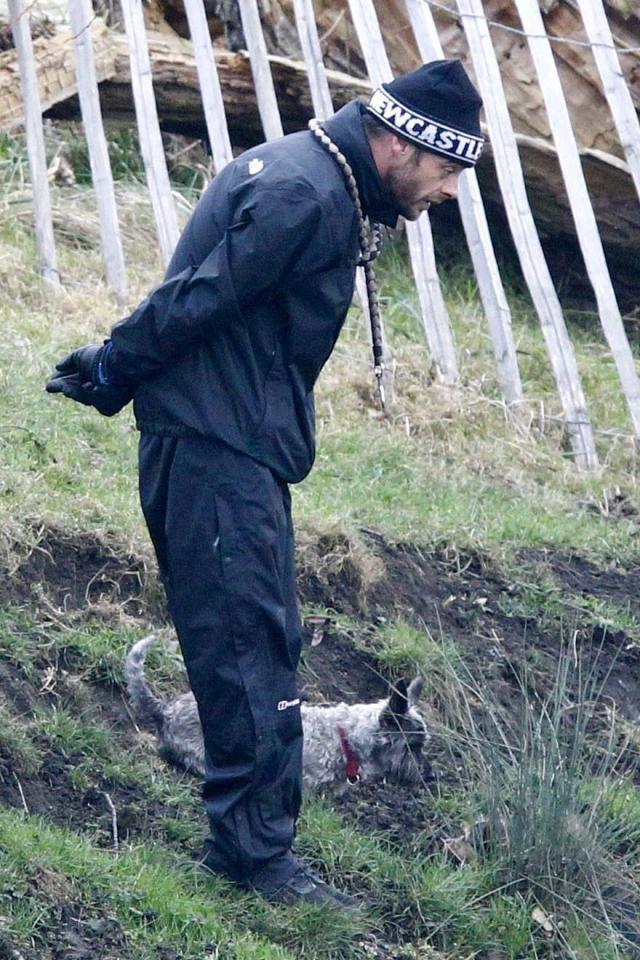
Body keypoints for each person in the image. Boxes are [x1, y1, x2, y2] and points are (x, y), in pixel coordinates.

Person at [46, 60, 484, 907]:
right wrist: (112, 367)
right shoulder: (306, 195)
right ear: (396, 143)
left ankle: (244, 845)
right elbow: (198, 298)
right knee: (248, 646)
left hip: (231, 437)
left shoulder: (320, 177)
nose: (453, 190)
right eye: (446, 169)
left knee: (258, 639)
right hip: (215, 444)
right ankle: (256, 861)